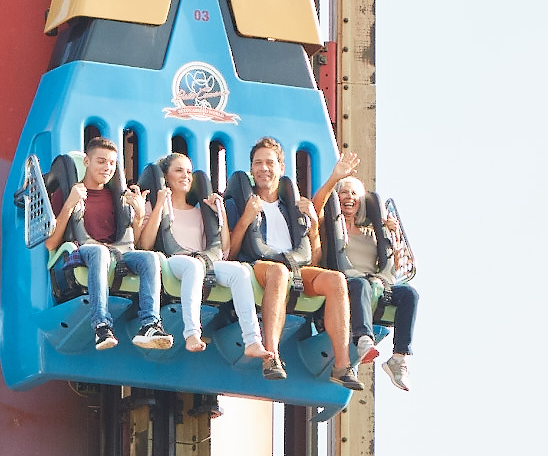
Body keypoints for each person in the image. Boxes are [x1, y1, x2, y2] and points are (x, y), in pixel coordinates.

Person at [226, 138, 363, 387]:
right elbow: (230, 252)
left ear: (281, 167)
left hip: (294, 269)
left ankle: (341, 365)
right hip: (259, 266)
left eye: (269, 162)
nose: (263, 168)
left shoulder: (291, 206)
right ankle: (271, 356)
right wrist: (246, 219)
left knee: (336, 280)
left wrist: (312, 228)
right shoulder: (242, 202)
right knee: (278, 272)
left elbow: (314, 258)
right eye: (258, 163)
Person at [41, 135, 173, 353]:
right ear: (87, 162)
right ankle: (101, 326)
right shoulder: (68, 193)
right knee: (99, 253)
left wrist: (139, 216)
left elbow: (135, 243)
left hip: (117, 252)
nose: (107, 167)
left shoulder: (116, 196)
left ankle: (150, 324)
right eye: (101, 161)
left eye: (111, 163)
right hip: (82, 251)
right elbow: (51, 243)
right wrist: (70, 204)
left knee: (150, 258)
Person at [133, 150, 266, 358]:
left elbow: (224, 249)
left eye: (189, 172)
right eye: (178, 171)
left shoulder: (198, 211)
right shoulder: (155, 205)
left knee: (240, 271)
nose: (185, 176)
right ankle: (192, 333)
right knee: (193, 267)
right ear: (166, 176)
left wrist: (219, 213)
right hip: (173, 262)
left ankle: (252, 339)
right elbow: (145, 243)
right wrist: (159, 204)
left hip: (203, 261)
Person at [325, 174, 417, 391]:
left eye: (354, 193)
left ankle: (399, 358)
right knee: (360, 285)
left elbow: (391, 266)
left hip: (375, 283)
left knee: (409, 294)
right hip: (348, 281)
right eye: (344, 192)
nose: (349, 197)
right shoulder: (331, 230)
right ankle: (364, 339)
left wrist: (391, 234)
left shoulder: (371, 233)